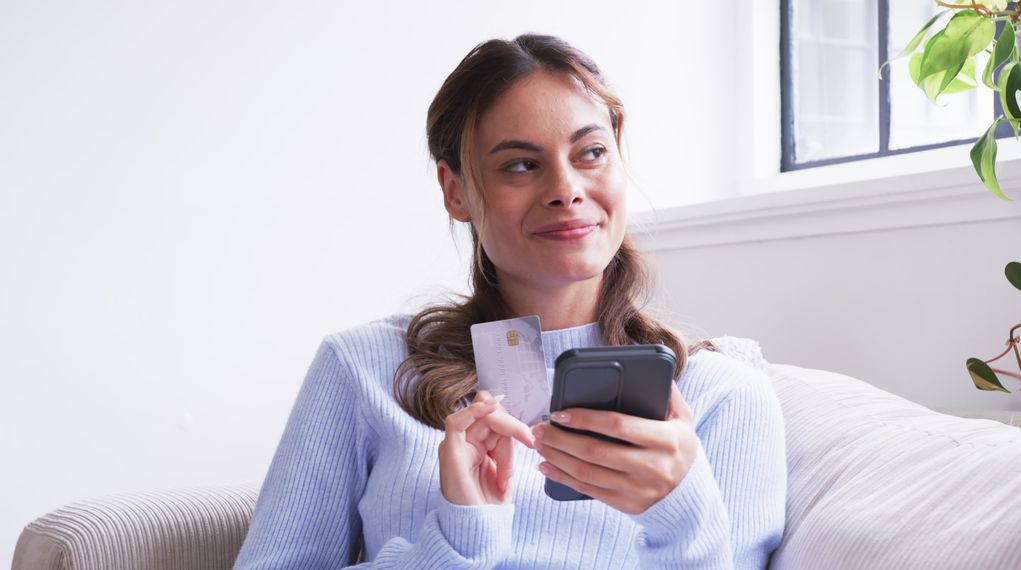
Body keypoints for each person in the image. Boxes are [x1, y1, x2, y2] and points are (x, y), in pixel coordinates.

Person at [233, 34, 786, 569]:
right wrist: (455, 544)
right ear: (455, 191)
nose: (565, 190)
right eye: (521, 164)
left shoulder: (723, 395)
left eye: (592, 153)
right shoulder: (363, 367)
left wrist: (683, 514)